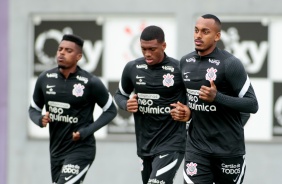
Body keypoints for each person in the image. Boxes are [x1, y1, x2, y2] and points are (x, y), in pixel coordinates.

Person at [170, 14, 259, 184]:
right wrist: (187, 112)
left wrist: (217, 97)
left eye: (205, 32)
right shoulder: (185, 62)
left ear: (217, 36)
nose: (198, 35)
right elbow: (187, 99)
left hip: (228, 150)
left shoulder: (230, 64)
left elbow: (252, 104)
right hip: (196, 149)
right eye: (196, 30)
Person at [28, 34, 117, 184]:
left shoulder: (91, 82)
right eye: (60, 49)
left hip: (81, 149)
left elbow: (111, 110)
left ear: (79, 56)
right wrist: (39, 119)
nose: (62, 53)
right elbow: (33, 108)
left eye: (68, 50)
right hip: (56, 150)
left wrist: (85, 132)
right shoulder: (45, 78)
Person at [114, 25, 190, 184]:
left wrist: (187, 111)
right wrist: (126, 104)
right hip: (145, 144)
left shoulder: (179, 69)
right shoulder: (132, 68)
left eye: (152, 49)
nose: (147, 53)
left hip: (172, 143)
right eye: (143, 49)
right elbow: (120, 95)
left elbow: (195, 100)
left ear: (164, 46)